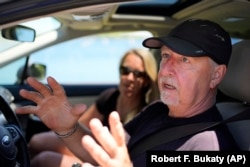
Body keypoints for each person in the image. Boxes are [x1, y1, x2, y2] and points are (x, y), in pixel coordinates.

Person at [16, 19, 238, 167]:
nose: (166, 70)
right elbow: (104, 153)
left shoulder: (210, 147)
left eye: (185, 59)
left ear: (216, 76)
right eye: (166, 56)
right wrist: (67, 128)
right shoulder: (156, 110)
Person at [26, 48, 158, 167]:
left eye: (138, 74)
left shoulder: (145, 112)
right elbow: (81, 123)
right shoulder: (110, 96)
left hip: (109, 161)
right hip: (90, 148)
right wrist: (59, 127)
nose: (130, 78)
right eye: (126, 71)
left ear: (146, 80)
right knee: (36, 141)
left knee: (44, 160)